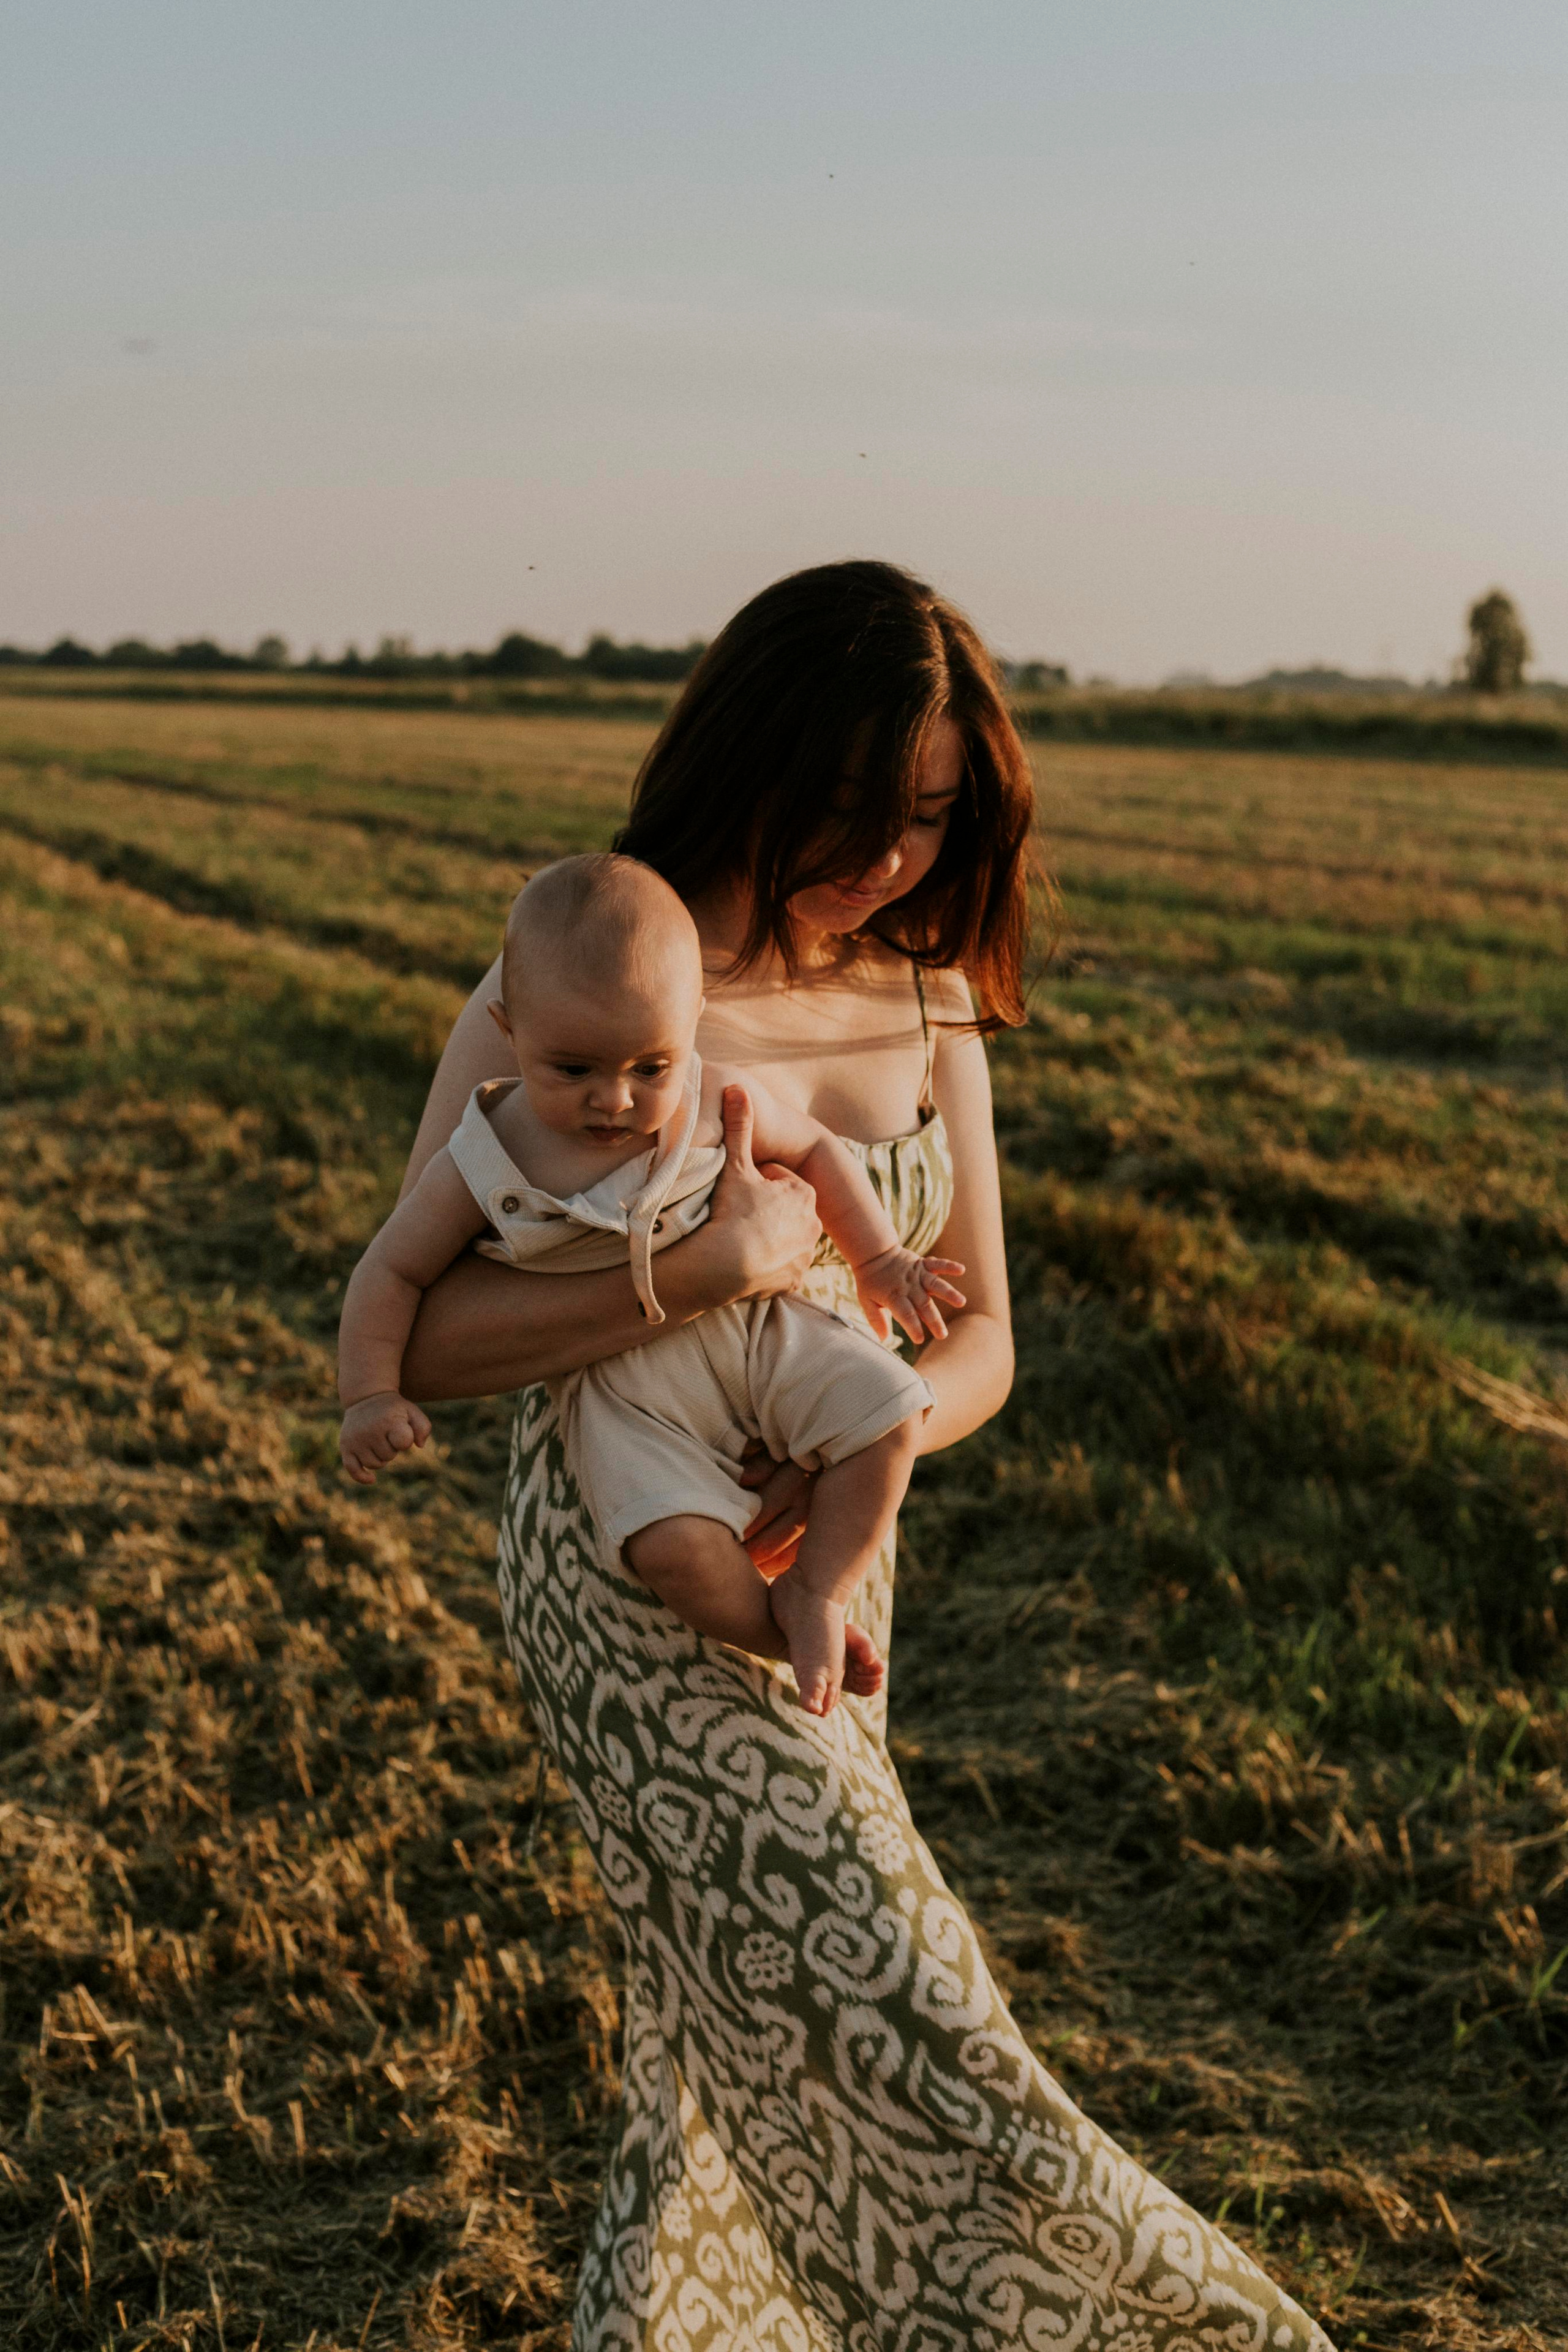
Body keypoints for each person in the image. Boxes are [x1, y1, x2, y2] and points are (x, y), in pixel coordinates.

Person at [397, 561, 1334, 2350]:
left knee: (726, 2054)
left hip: (834, 1570)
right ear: (750, 754)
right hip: (634, 1577)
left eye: (930, 816)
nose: (890, 858)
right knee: (909, 2013)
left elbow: (984, 1342)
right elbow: (421, 1335)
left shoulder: (929, 999)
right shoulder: (588, 985)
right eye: (850, 807)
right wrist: (698, 1271)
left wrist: (865, 1438)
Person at [337, 851, 965, 1715]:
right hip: (627, 1392)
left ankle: (818, 1592)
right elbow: (391, 1269)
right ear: (510, 1031)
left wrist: (881, 1259)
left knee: (892, 1416)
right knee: (672, 1548)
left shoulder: (715, 1097)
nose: (616, 1099)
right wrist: (369, 1394)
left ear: (693, 1023)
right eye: (574, 1071)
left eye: (650, 1067)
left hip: (762, 1334)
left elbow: (818, 1151)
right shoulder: (486, 1155)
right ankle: (770, 1632)